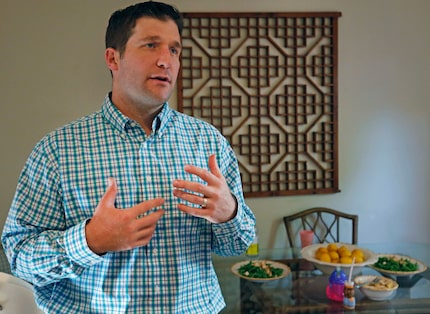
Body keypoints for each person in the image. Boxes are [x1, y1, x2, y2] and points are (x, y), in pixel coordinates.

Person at [1, 2, 256, 313]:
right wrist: (90, 240)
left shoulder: (208, 141)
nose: (166, 61)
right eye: (151, 45)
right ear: (113, 57)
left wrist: (229, 213)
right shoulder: (56, 151)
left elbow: (240, 245)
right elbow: (20, 260)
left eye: (174, 50)